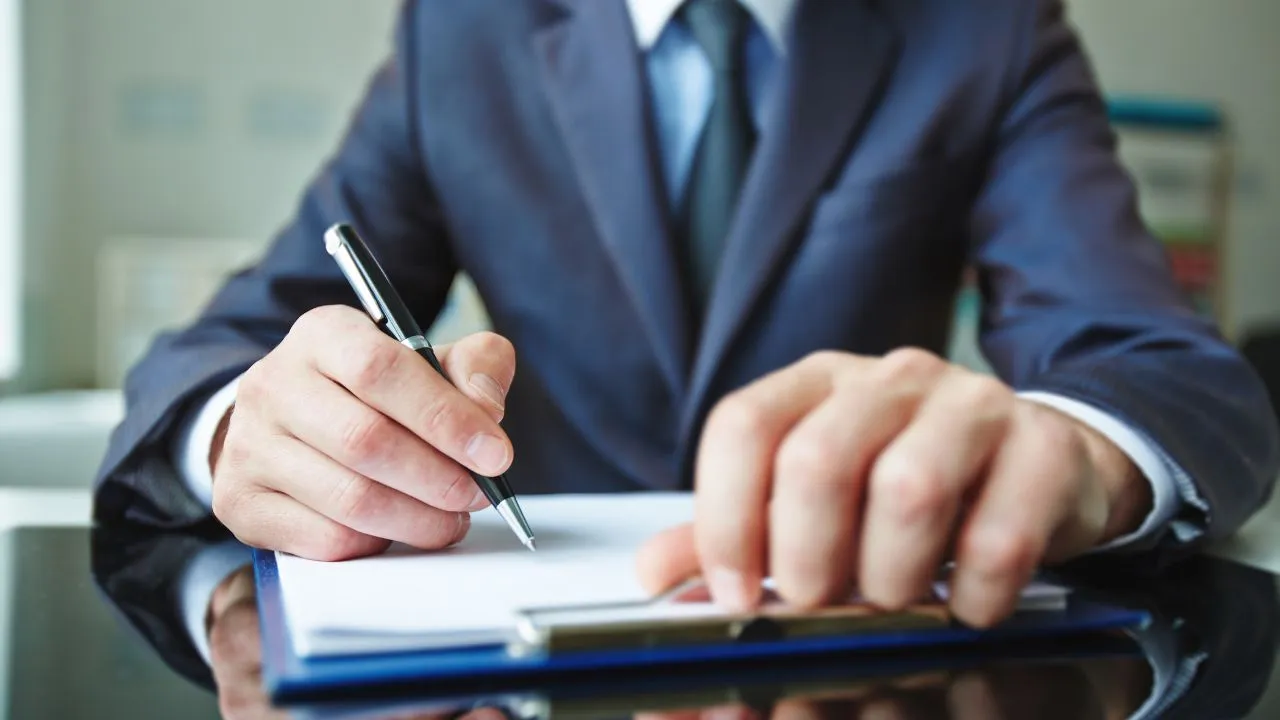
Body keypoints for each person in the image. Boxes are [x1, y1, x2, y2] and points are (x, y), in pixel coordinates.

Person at [94, 0, 1279, 629]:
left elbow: (1167, 372)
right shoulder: (460, 29)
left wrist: (1073, 454)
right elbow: (226, 346)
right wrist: (246, 424)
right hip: (520, 647)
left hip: (854, 655)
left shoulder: (985, 26)